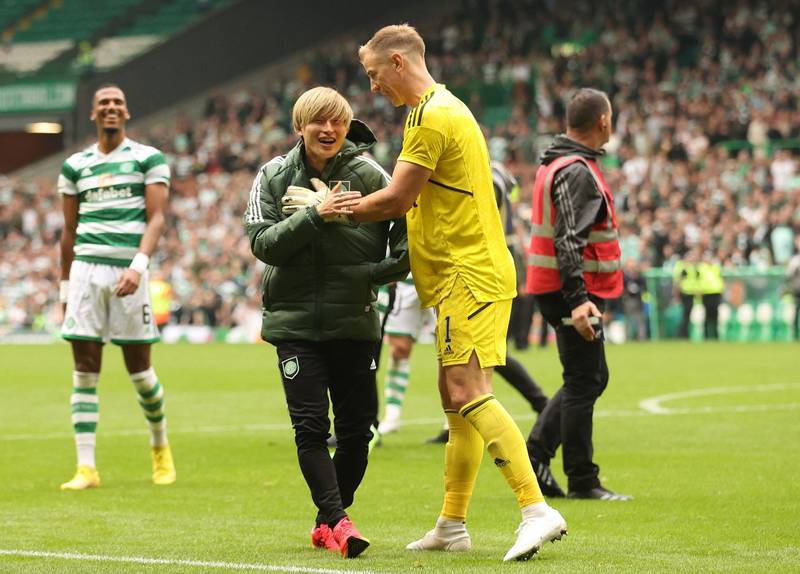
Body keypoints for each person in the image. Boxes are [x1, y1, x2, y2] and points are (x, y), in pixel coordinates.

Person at [332, 24, 567, 562]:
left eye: (373, 75)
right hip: (460, 275)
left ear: (397, 62)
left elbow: (395, 199)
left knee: (467, 392)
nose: (372, 89)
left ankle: (536, 509)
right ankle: (452, 523)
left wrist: (330, 210)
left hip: (470, 275)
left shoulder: (434, 117)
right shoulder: (436, 110)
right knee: (454, 398)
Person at [243, 86, 408, 558]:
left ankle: (325, 520)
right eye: (319, 121)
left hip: (354, 320)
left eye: (337, 121)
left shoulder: (371, 174)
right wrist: (315, 216)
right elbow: (262, 243)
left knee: (358, 431)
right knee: (311, 429)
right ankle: (340, 521)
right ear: (301, 126)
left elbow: (408, 238)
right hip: (294, 325)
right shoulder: (272, 176)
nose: (329, 129)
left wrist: (367, 277)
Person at [58, 84, 175, 490]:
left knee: (140, 372)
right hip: (86, 273)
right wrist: (63, 288)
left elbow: (157, 218)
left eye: (118, 103)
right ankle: (86, 467)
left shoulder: (148, 158)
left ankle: (160, 447)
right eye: (103, 103)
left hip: (129, 271)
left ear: (126, 113)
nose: (111, 108)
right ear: (94, 114)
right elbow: (69, 231)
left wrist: (138, 267)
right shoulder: (75, 165)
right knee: (84, 371)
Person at [525, 88, 631, 501]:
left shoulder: (558, 163)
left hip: (561, 287)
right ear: (603, 121)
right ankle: (579, 478)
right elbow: (569, 240)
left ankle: (537, 457)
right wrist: (578, 300)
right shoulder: (577, 170)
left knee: (588, 377)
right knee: (586, 379)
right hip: (570, 290)